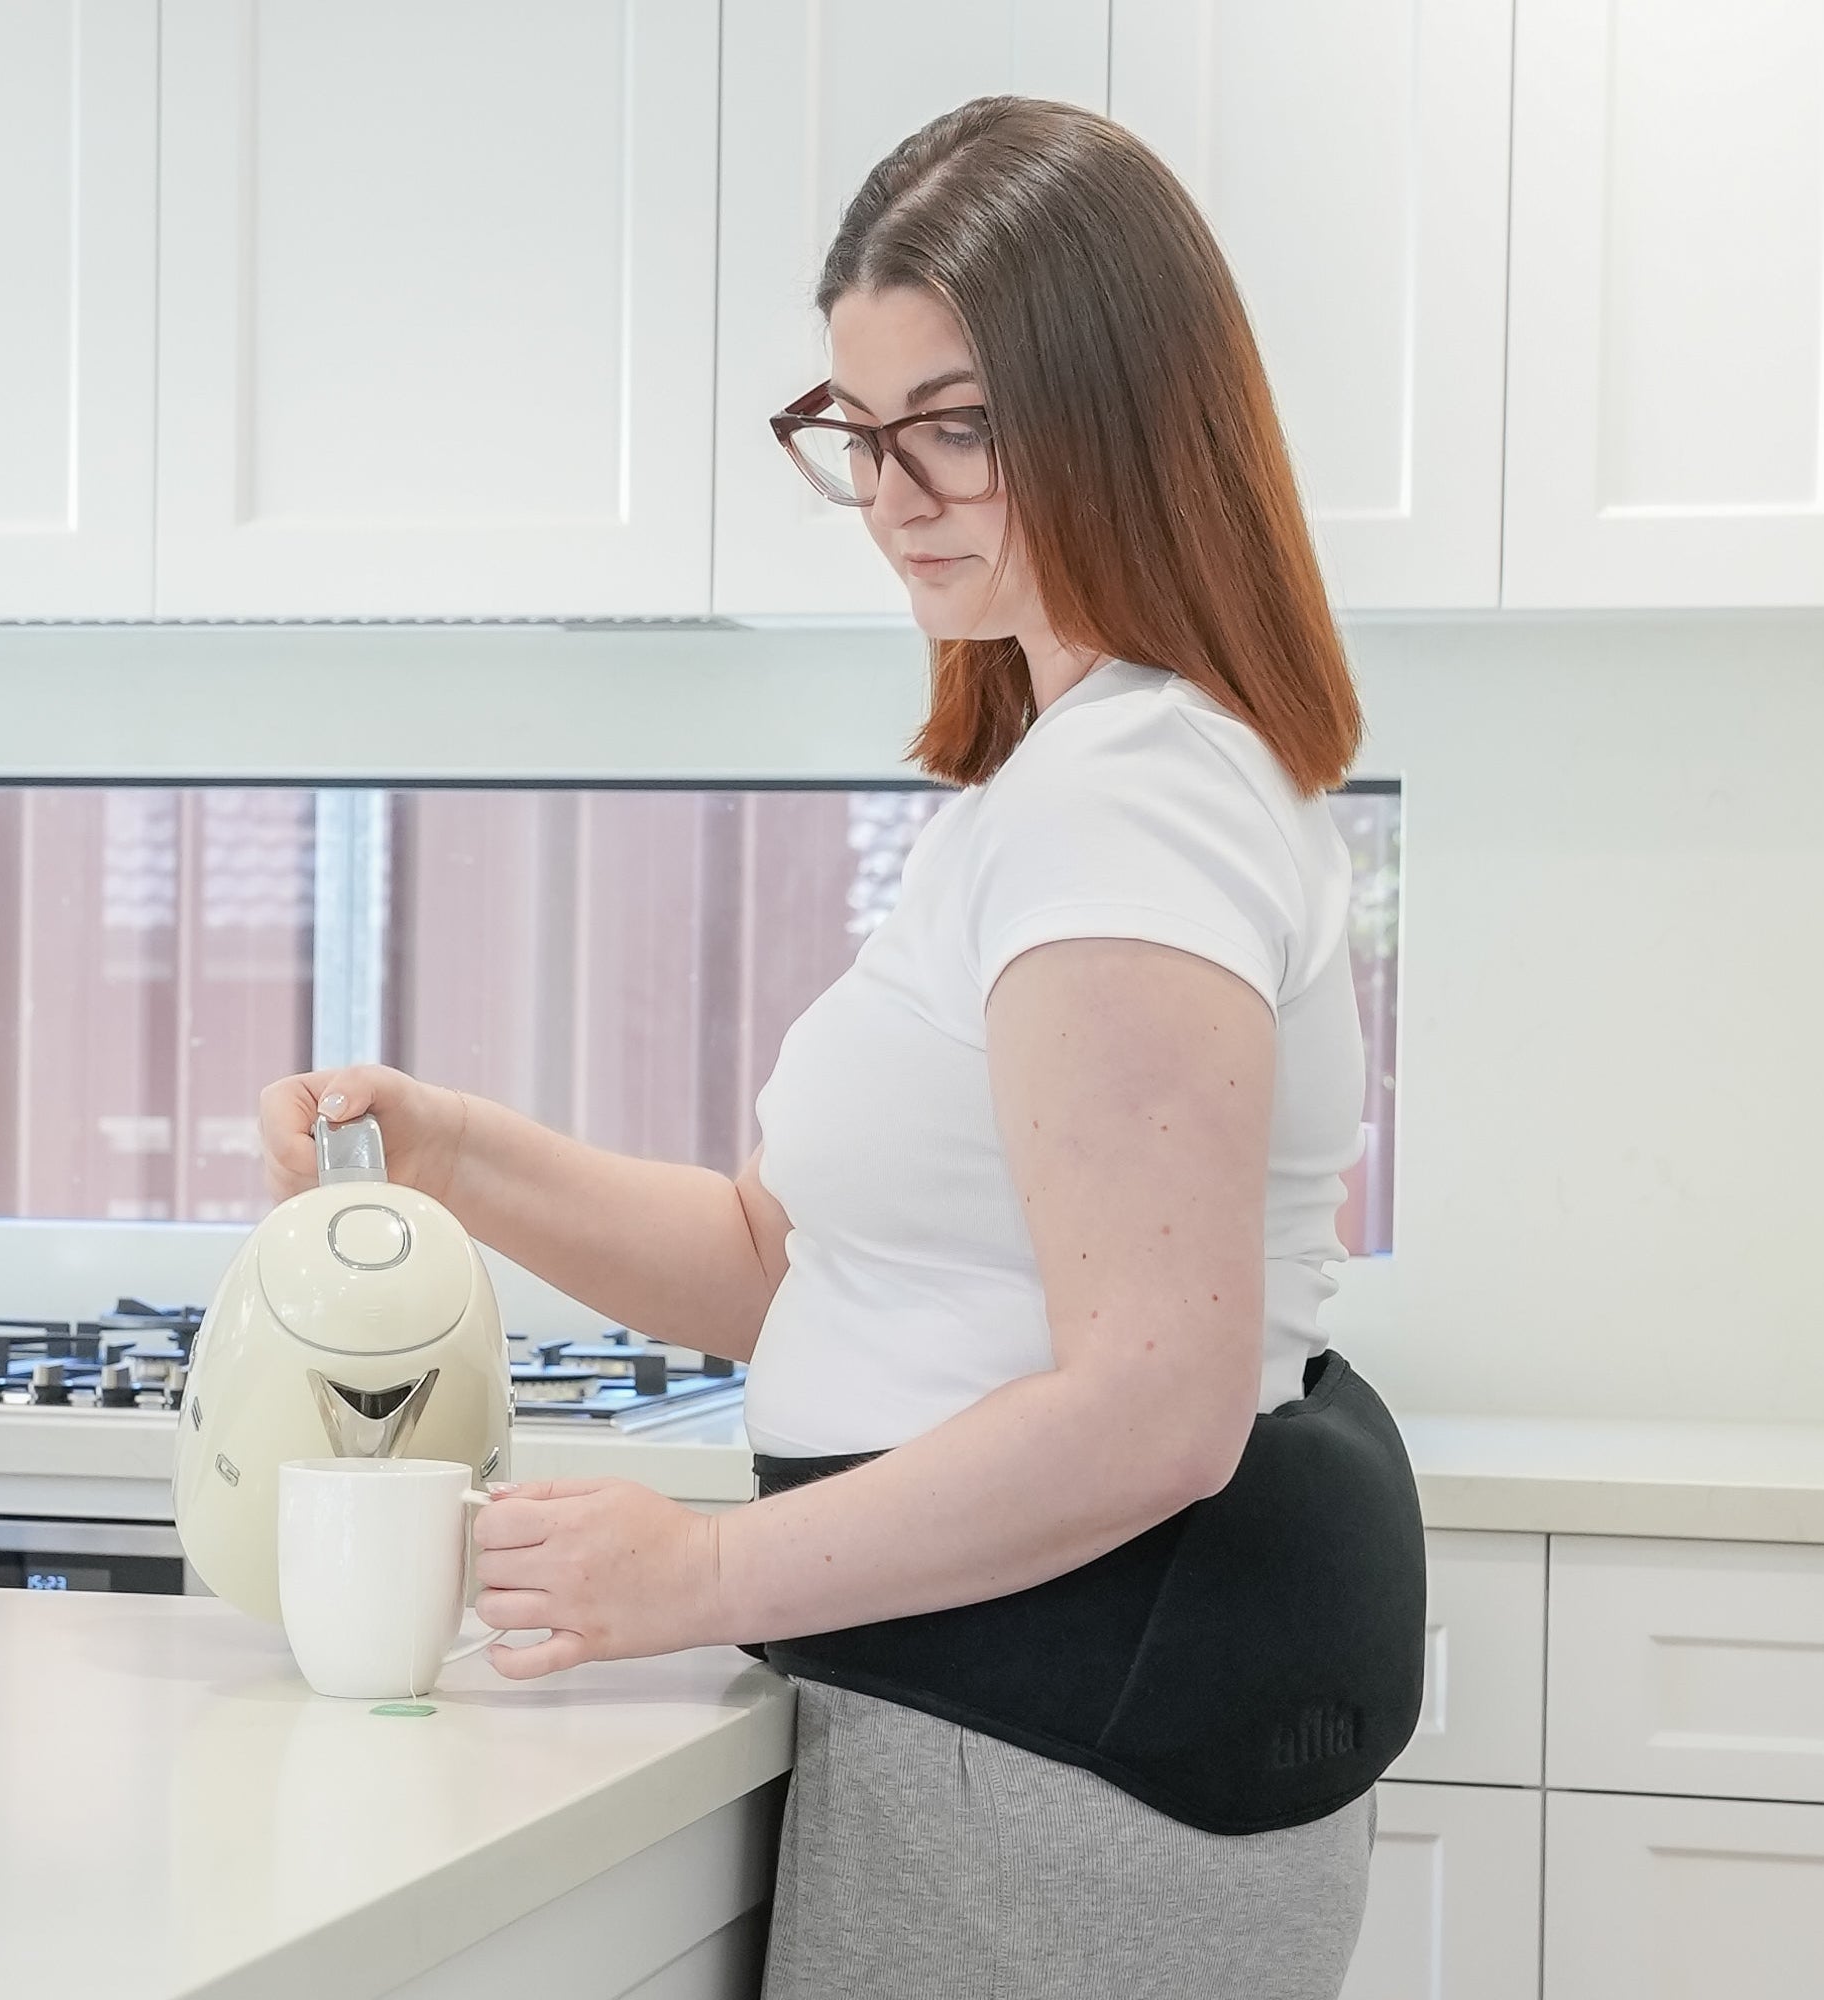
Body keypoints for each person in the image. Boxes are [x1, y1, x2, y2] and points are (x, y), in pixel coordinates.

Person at [261, 96, 1424, 2000]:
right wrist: (453, 1150)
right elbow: (788, 1266)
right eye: (862, 435)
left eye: (953, 426)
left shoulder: (1127, 801)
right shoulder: (1070, 778)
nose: (893, 497)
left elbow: (1157, 1401)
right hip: (1004, 1729)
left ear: (1124, 406)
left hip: (1054, 1762)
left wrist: (702, 1575)